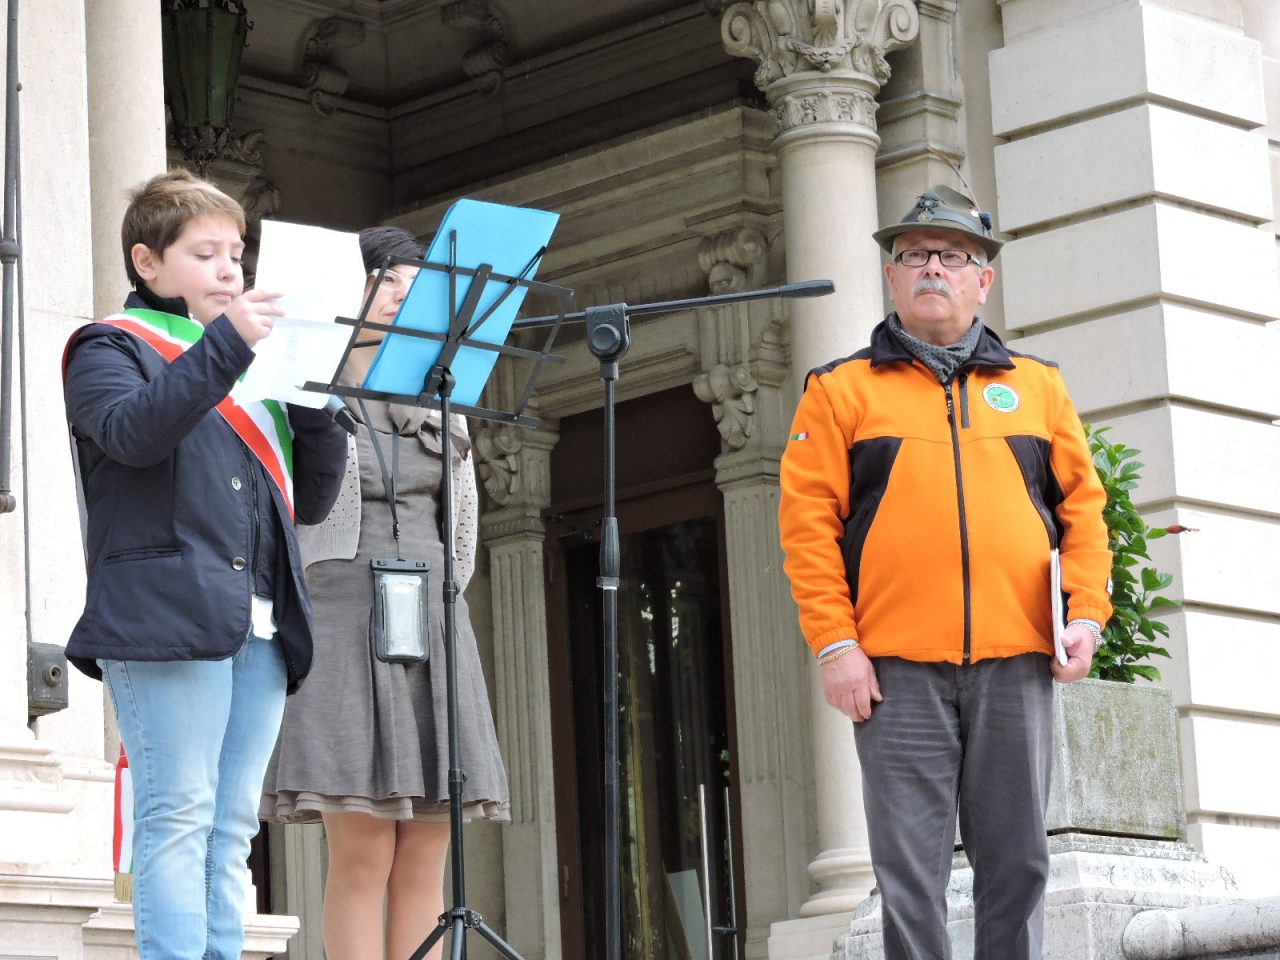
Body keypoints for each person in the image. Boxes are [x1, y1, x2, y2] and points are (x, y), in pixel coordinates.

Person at [777, 186, 1113, 959]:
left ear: (983, 280)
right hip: (893, 672)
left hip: (1017, 661)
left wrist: (1084, 615)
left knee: (1019, 863)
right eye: (914, 255)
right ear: (891, 276)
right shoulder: (839, 390)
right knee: (909, 874)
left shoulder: (1038, 386)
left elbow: (1082, 515)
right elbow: (807, 530)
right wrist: (835, 645)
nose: (934, 268)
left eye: (953, 255)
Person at [62, 169, 349, 960]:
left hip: (257, 620)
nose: (231, 270)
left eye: (238, 254)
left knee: (229, 830)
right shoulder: (110, 346)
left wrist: (316, 399)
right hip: (165, 613)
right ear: (147, 263)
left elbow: (314, 502)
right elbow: (131, 434)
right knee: (178, 816)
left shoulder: (255, 366)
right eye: (207, 253)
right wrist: (231, 347)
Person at [260, 226, 510, 960]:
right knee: (364, 853)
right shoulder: (307, 387)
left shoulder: (440, 393)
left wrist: (449, 598)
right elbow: (294, 511)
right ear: (354, 287)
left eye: (416, 284)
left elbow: (459, 522)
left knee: (427, 858)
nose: (406, 296)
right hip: (342, 613)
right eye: (392, 279)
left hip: (433, 618)